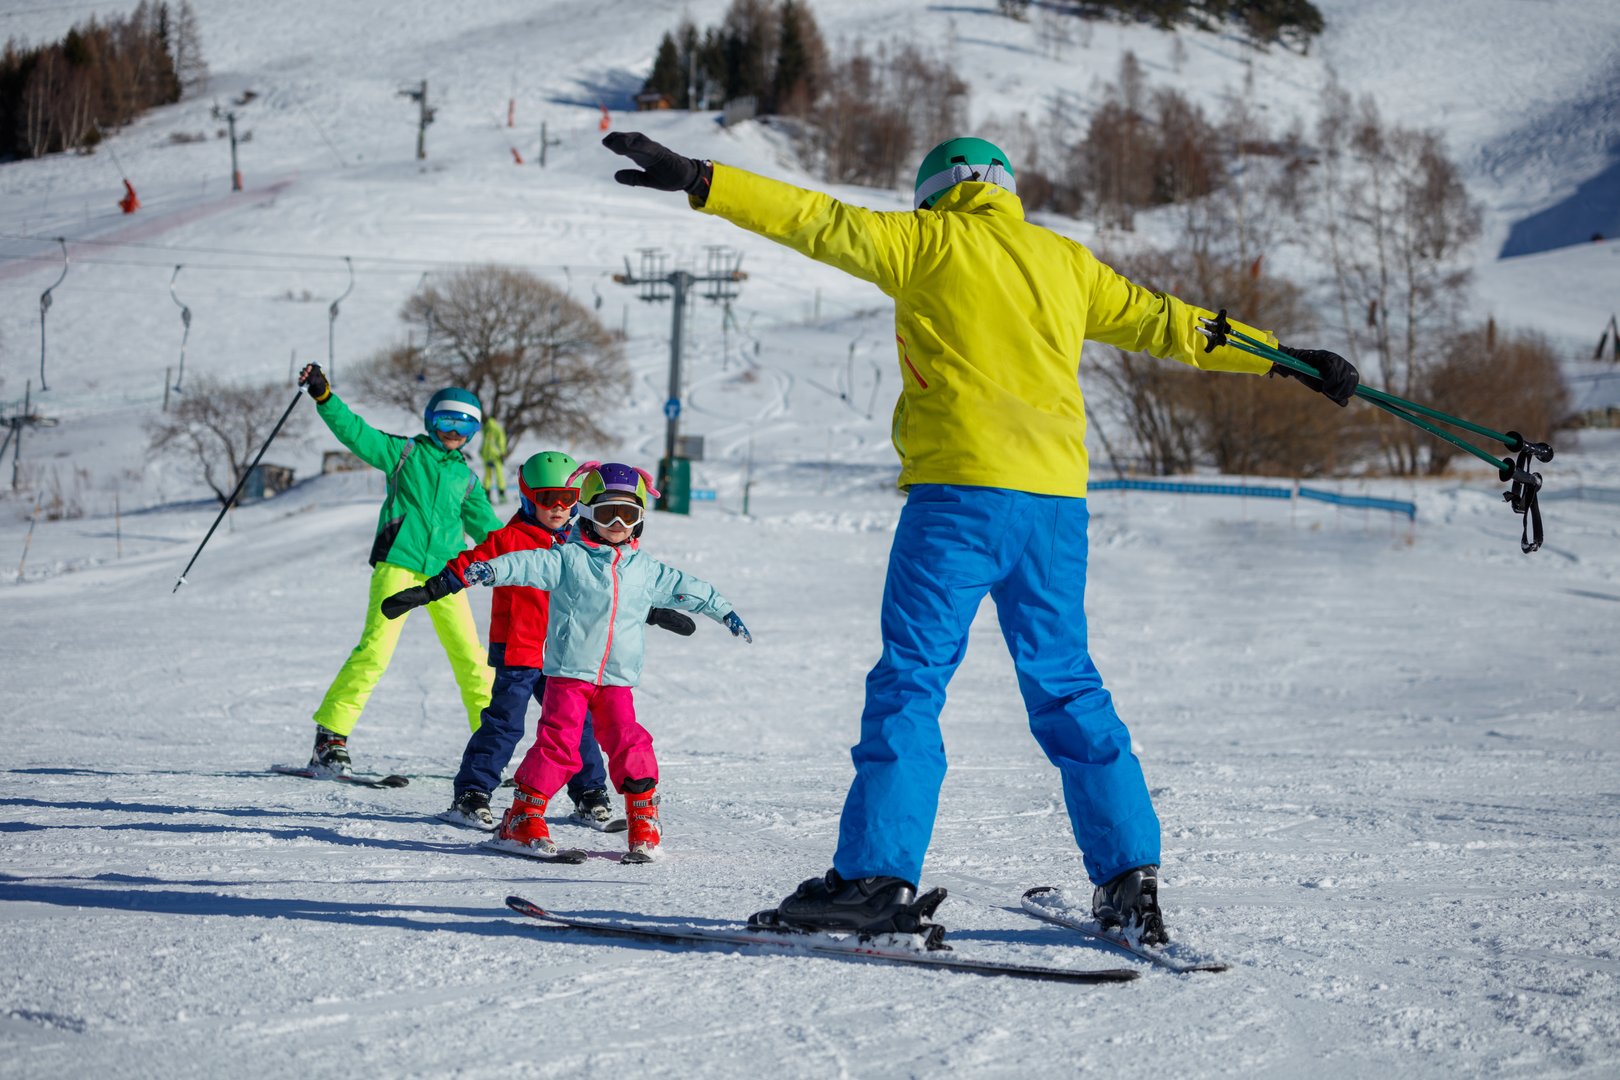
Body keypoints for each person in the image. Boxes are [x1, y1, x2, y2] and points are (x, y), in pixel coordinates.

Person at [602, 130, 1359, 941]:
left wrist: (702, 179)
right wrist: (1283, 357)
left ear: (933, 193)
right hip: (1057, 508)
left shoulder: (927, 240)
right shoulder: (1064, 263)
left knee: (913, 681)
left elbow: (813, 218)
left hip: (960, 498)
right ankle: (1129, 878)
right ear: (1005, 186)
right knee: (1068, 684)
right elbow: (1173, 323)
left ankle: (873, 878)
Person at [444, 461, 752, 863]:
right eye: (608, 513)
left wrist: (722, 609)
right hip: (569, 674)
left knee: (629, 740)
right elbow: (523, 563)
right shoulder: (567, 559)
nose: (619, 523)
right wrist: (486, 569)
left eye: (630, 514)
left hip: (617, 679)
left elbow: (686, 587)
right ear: (587, 512)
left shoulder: (645, 569)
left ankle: (643, 816)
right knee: (559, 744)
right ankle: (522, 816)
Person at [380, 450, 698, 831]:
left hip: (567, 654)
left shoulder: (586, 544)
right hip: (519, 649)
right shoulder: (509, 538)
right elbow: (470, 565)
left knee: (576, 728)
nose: (559, 508)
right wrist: (430, 590)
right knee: (505, 724)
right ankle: (472, 793)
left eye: (567, 499)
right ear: (528, 498)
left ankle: (590, 794)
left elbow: (608, 594)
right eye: (548, 499)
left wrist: (652, 612)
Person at [297, 362, 505, 776]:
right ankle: (331, 737)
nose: (453, 431)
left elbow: (493, 533)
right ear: (431, 419)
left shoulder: (466, 478)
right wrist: (324, 397)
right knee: (375, 650)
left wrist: (540, 549)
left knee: (472, 659)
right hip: (398, 564)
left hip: (446, 576)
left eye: (464, 425)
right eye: (446, 419)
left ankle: (490, 750)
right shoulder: (404, 453)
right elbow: (357, 433)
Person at [480, 414, 509, 503]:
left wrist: (482, 453)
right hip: (496, 456)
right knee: (499, 476)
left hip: (487, 456)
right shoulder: (497, 428)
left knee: (487, 477)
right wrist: (503, 453)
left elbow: (484, 442)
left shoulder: (486, 428)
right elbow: (501, 441)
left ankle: (487, 496)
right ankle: (502, 495)